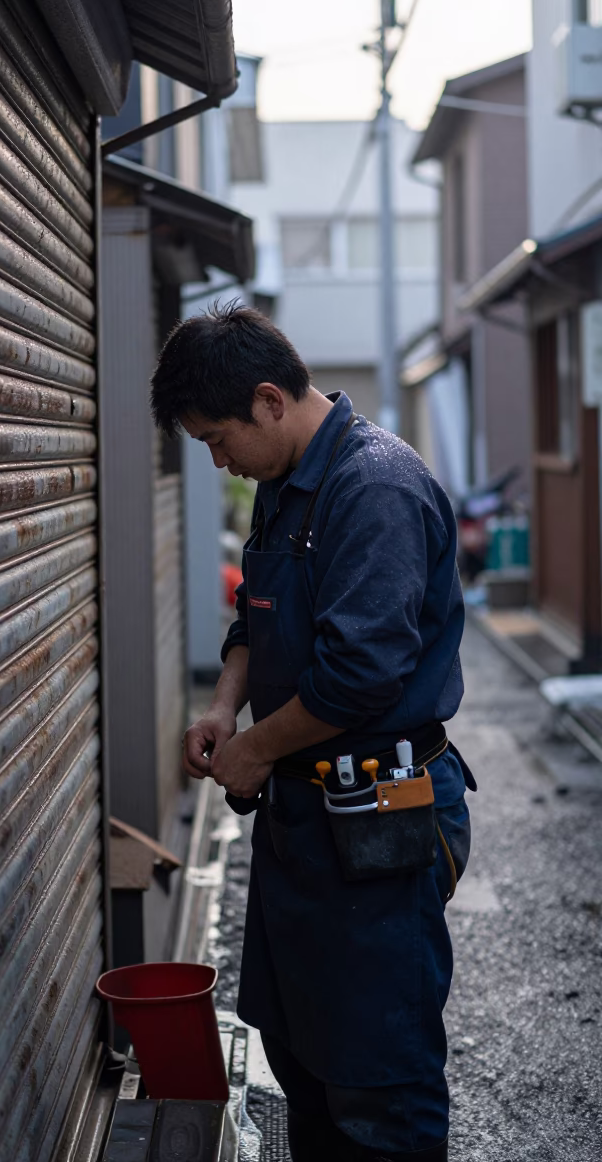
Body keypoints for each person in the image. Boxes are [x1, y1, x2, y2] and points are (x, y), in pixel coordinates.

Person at [151, 304, 474, 1162]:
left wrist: (254, 749)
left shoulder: (375, 488)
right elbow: (253, 617)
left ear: (267, 400)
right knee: (301, 1056)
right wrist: (224, 707)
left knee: (376, 1078)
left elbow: (361, 677)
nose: (218, 461)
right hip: (302, 818)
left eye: (218, 439)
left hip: (380, 818)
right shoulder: (280, 485)